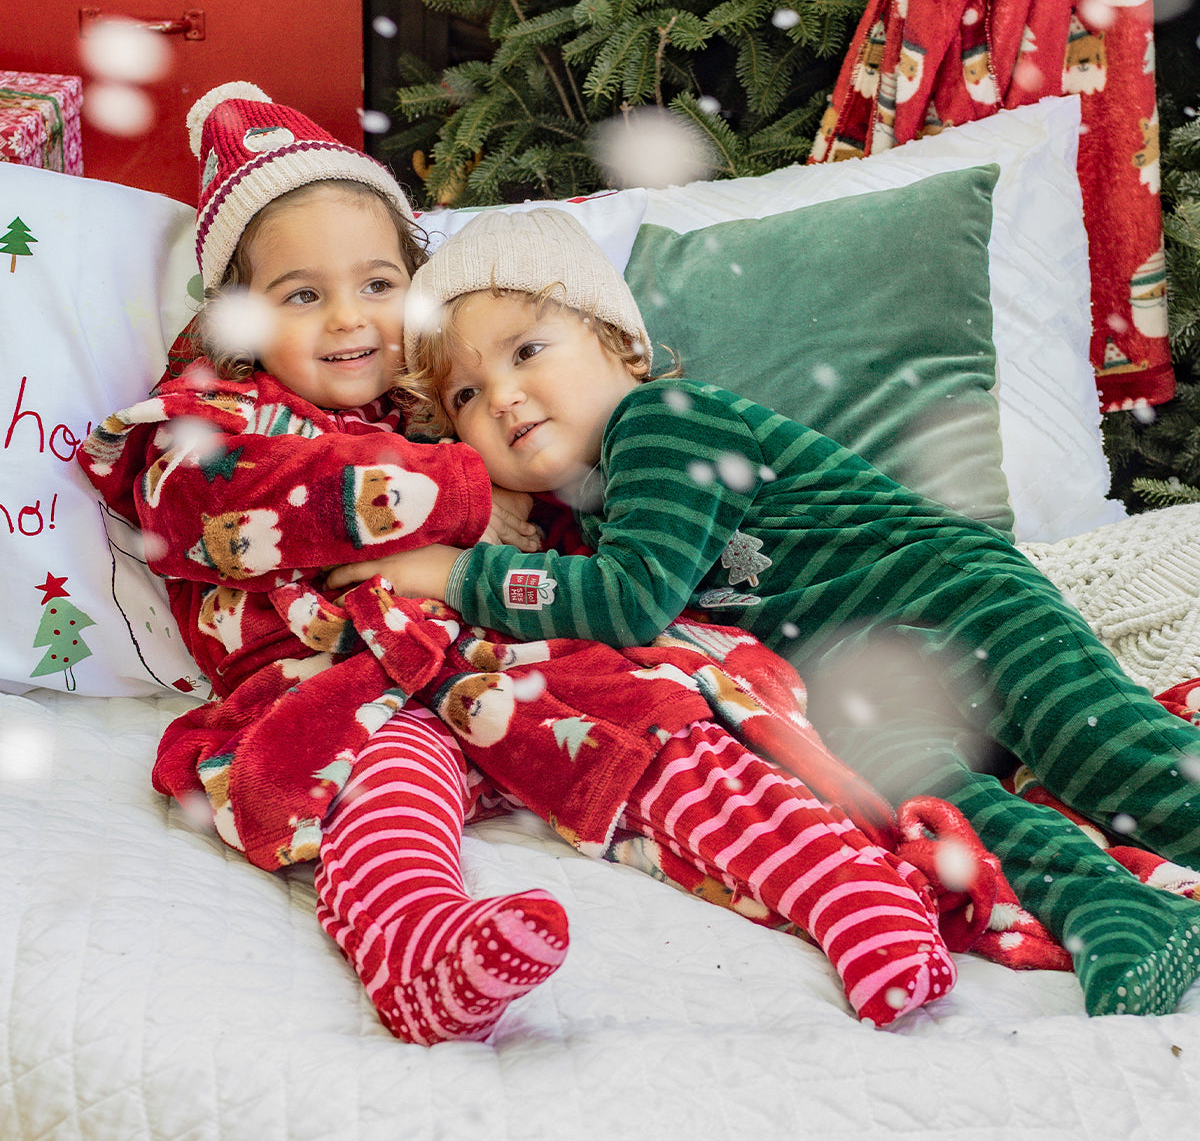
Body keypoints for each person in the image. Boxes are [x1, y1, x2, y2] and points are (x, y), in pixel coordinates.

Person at [79, 86, 962, 1040]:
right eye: (303, 295)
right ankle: (423, 952)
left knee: (658, 729)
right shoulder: (216, 422)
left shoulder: (446, 404)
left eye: (378, 284)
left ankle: (851, 890)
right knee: (385, 793)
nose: (351, 319)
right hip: (337, 689)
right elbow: (215, 502)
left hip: (497, 664)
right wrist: (455, 490)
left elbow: (566, 540)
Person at [355, 205, 1200, 1018]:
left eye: (528, 350)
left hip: (953, 600)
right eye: (465, 395)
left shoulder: (664, 422)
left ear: (620, 346)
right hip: (857, 684)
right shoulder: (585, 514)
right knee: (939, 810)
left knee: (1109, 751)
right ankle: (1112, 909)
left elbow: (630, 600)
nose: (502, 396)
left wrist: (454, 569)